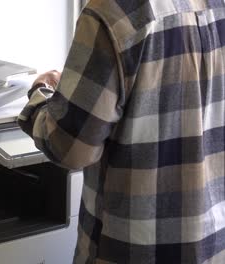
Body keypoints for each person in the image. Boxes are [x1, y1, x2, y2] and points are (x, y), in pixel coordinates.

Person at [19, 0, 225, 263]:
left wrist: (39, 94)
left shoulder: (113, 11)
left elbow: (69, 148)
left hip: (131, 250)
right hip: (212, 245)